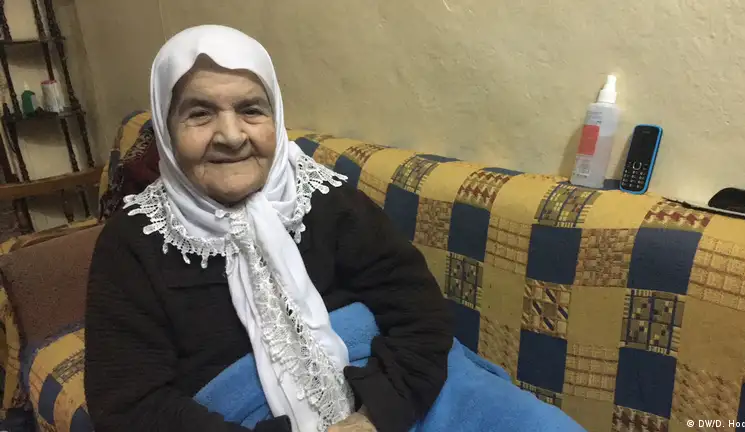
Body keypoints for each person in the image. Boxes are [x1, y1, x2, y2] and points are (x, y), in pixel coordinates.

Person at [85, 25, 586, 432]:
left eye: (251, 110)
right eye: (199, 113)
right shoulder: (132, 243)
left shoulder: (326, 199)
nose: (231, 135)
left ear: (277, 117)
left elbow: (419, 311)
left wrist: (374, 417)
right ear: (166, 130)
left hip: (397, 395)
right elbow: (130, 405)